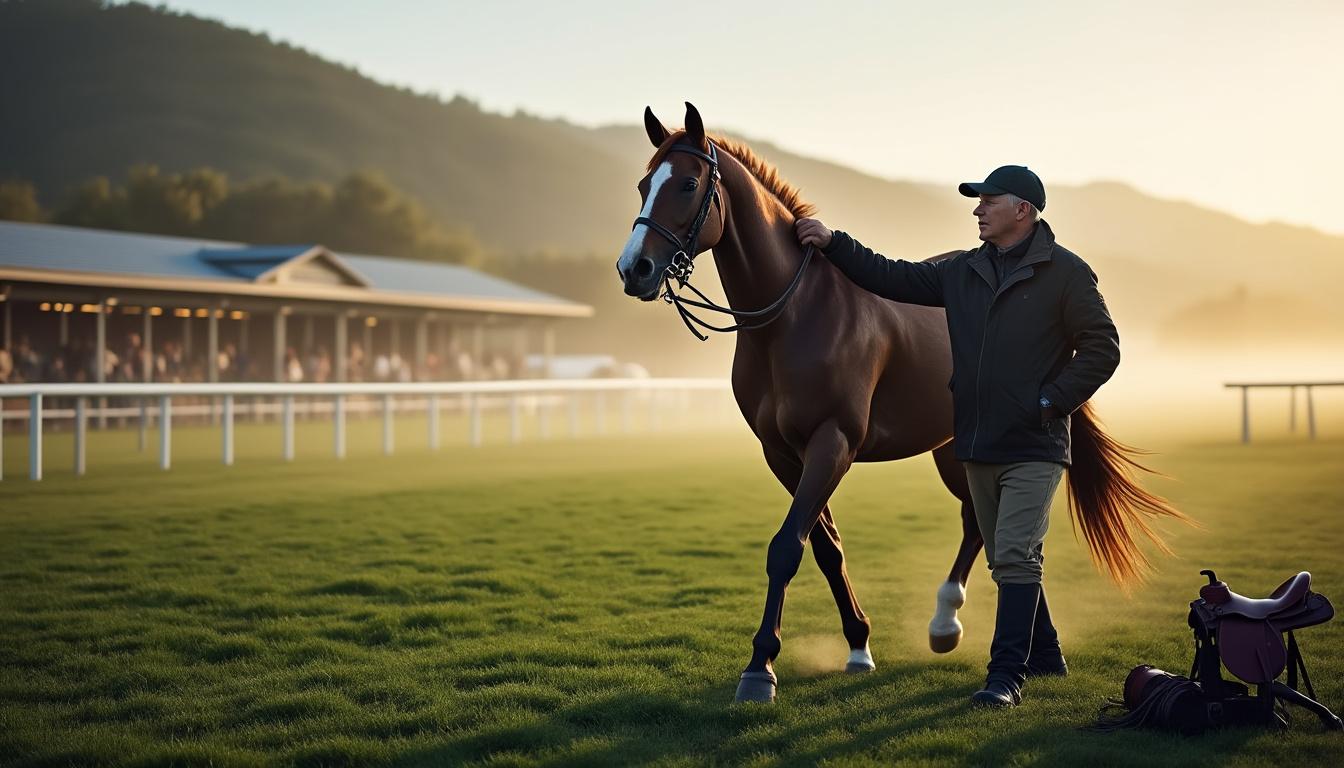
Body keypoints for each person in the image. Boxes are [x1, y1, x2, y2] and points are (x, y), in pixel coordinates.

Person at [795, 165, 1120, 709]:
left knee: (1014, 555)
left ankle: (1005, 678)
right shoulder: (963, 271)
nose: (977, 209)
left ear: (1023, 210)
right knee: (1005, 557)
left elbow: (1103, 347)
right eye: (978, 201)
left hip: (1034, 444)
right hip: (976, 441)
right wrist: (833, 242)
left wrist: (1050, 402)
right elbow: (890, 276)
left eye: (989, 201)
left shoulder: (1066, 272)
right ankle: (1046, 654)